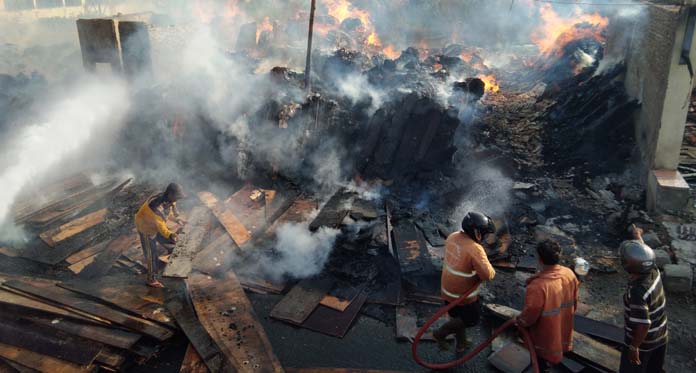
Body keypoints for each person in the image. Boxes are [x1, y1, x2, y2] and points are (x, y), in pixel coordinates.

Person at [433, 212, 496, 353]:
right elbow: (488, 275)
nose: (484, 238)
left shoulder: (453, 236)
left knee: (457, 317)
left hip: (447, 290)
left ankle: (461, 344)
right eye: (484, 234)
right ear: (476, 232)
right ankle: (440, 334)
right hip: (462, 296)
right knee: (471, 319)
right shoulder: (475, 249)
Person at [514, 240, 579, 372]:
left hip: (544, 335)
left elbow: (530, 315)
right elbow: (575, 302)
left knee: (541, 362)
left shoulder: (538, 286)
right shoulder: (569, 274)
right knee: (556, 351)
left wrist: (519, 322)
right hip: (563, 326)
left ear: (539, 258)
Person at [619, 225, 668, 373]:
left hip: (644, 343)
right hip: (661, 336)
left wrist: (634, 347)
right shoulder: (652, 269)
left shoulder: (638, 292)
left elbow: (644, 325)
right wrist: (637, 236)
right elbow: (644, 255)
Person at [134, 183, 186, 288]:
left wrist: (177, 219)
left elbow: (170, 211)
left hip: (155, 224)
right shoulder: (156, 207)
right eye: (177, 196)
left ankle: (170, 264)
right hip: (146, 228)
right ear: (170, 194)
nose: (178, 200)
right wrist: (172, 235)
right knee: (151, 256)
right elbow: (162, 228)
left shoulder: (168, 198)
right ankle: (151, 280)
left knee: (173, 243)